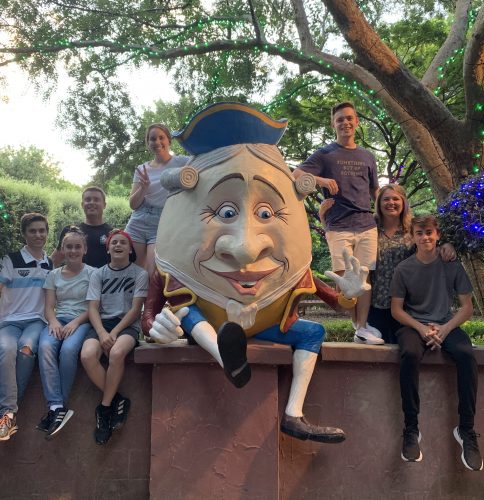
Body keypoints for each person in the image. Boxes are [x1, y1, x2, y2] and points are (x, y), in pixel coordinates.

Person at [142, 102, 371, 444]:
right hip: (209, 326)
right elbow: (149, 316)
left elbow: (338, 303)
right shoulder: (168, 273)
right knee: (186, 312)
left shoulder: (298, 273)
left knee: (312, 333)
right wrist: (156, 329)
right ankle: (224, 355)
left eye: (266, 213)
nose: (246, 248)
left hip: (265, 324)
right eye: (225, 212)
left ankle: (294, 414)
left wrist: (349, 295)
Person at [391, 214, 482, 471]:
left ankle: (466, 430)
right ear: (412, 236)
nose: (425, 237)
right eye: (419, 233)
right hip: (414, 326)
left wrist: (444, 329)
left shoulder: (452, 265)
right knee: (410, 354)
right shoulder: (403, 269)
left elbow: (467, 307)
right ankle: (411, 429)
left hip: (445, 324)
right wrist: (422, 329)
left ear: (437, 234)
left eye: (429, 232)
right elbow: (396, 309)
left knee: (466, 355)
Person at [294, 102, 381, 345]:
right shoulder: (325, 154)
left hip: (366, 224)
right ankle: (356, 325)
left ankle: (362, 327)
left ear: (357, 122)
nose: (346, 123)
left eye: (350, 118)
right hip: (338, 225)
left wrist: (389, 212)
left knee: (364, 279)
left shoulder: (367, 156)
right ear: (333, 124)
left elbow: (375, 190)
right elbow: (296, 174)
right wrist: (321, 180)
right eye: (340, 119)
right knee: (345, 280)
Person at [80, 229, 148, 445]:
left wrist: (115, 333)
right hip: (102, 324)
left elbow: (135, 310)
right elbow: (92, 308)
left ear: (130, 249)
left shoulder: (140, 274)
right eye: (114, 243)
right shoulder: (98, 274)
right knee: (87, 355)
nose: (118, 245)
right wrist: (102, 332)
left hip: (127, 325)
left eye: (123, 242)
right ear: (108, 249)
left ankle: (105, 408)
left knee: (116, 353)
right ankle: (118, 398)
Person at [368, 184, 456, 344]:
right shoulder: (369, 227)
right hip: (377, 303)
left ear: (403, 202)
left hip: (408, 306)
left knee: (408, 349)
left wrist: (447, 245)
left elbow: (432, 241)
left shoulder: (413, 228)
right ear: (379, 203)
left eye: (396, 199)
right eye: (386, 199)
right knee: (378, 352)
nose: (391, 203)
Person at [37, 227, 94, 439]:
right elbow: (49, 307)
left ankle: (58, 406)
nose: (73, 251)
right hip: (58, 319)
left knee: (68, 350)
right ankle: (56, 407)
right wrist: (53, 322)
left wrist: (75, 323)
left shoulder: (93, 274)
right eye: (68, 247)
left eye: (77, 246)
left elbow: (94, 308)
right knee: (45, 347)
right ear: (62, 249)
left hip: (82, 321)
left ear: (85, 249)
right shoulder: (53, 275)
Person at [0, 213, 53, 441]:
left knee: (25, 350)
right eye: (32, 231)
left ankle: (7, 413)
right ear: (24, 234)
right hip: (9, 321)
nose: (38, 235)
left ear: (47, 233)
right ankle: (8, 412)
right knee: (6, 350)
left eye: (42, 230)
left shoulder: (50, 263)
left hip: (36, 321)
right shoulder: (10, 260)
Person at [125, 123, 189, 276]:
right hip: (139, 220)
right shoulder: (142, 169)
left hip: (162, 221)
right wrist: (143, 188)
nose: (157, 142)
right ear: (148, 143)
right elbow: (133, 204)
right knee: (130, 270)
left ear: (169, 140)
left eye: (161, 138)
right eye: (152, 139)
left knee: (152, 272)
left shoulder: (182, 162)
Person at [51, 186, 112, 269]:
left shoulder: (112, 234)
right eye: (88, 199)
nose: (91, 202)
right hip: (75, 277)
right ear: (82, 205)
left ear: (104, 205)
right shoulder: (70, 231)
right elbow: (54, 261)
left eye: (96, 199)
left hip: (104, 277)